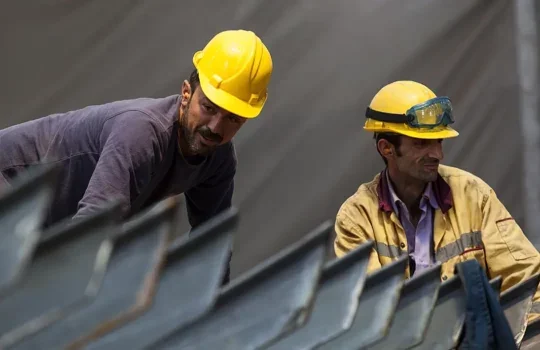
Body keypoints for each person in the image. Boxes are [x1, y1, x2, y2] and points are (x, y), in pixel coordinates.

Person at [0, 29, 273, 284]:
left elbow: (213, 243)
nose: (215, 127)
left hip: (40, 223)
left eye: (232, 119)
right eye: (209, 108)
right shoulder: (142, 133)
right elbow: (89, 232)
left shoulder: (218, 160)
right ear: (186, 93)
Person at [333, 80, 540, 322]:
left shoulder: (473, 195)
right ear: (386, 148)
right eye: (421, 144)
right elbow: (367, 318)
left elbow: (530, 284)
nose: (437, 154)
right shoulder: (357, 217)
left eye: (439, 141)